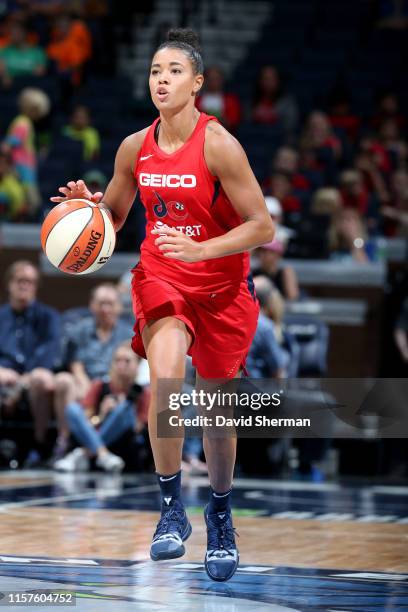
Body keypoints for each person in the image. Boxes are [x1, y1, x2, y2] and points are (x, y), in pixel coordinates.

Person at [50, 27, 274, 582]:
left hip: (222, 287)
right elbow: (118, 218)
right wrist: (90, 212)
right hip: (162, 273)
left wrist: (202, 248)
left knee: (218, 413)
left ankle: (219, 513)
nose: (162, 79)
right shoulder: (134, 147)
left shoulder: (220, 144)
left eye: (174, 71)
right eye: (155, 71)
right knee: (167, 379)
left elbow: (262, 225)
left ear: (196, 83)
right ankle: (171, 509)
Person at [0, 260, 67, 464]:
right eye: (20, 280)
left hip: (35, 378)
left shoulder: (49, 317)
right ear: (9, 284)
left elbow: (49, 354)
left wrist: (24, 379)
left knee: (41, 378)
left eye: (30, 282)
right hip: (4, 377)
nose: (24, 286)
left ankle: (39, 446)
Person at [54, 342, 150, 473]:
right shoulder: (99, 386)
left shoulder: (143, 392)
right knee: (72, 409)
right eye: (117, 360)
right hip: (96, 433)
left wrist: (121, 410)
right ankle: (102, 454)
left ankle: (85, 453)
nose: (121, 365)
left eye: (127, 361)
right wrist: (102, 414)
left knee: (125, 408)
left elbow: (138, 428)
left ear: (137, 365)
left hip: (124, 441)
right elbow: (86, 422)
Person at [2, 87, 50, 216]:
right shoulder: (23, 122)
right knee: (31, 198)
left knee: (27, 196)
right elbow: (10, 143)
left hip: (25, 164)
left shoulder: (23, 121)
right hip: (22, 165)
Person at [0, 20, 47, 88]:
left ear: (24, 33)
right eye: (12, 33)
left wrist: (14, 74)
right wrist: (6, 76)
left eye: (17, 32)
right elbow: (2, 70)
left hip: (31, 85)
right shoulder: (5, 51)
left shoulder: (37, 52)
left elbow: (39, 72)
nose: (13, 35)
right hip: (11, 86)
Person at [196, 65, 241, 131]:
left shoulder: (231, 100)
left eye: (217, 79)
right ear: (204, 81)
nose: (214, 82)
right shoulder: (196, 100)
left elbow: (234, 121)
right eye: (211, 79)